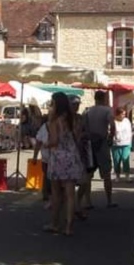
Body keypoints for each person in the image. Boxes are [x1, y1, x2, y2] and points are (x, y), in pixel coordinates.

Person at [44, 92, 84, 236]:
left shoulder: (55, 120)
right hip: (72, 156)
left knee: (56, 194)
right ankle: (69, 226)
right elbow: (77, 137)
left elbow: (54, 140)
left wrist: (45, 144)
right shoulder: (73, 118)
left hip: (58, 157)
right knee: (70, 194)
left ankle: (55, 223)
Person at [81, 90, 117, 208]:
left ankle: (88, 201)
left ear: (94, 98)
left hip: (89, 143)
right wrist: (110, 138)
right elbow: (112, 125)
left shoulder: (87, 111)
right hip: (101, 143)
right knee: (106, 173)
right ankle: (109, 200)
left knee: (88, 174)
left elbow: (83, 127)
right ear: (104, 99)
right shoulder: (107, 110)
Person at [32, 116, 52, 208]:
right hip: (47, 158)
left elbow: (38, 143)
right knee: (47, 177)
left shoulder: (45, 128)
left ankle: (48, 194)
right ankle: (47, 194)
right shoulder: (43, 128)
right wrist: (35, 157)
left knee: (48, 177)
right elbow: (38, 143)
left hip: (52, 158)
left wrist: (35, 157)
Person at [112, 106, 133, 182]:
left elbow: (129, 132)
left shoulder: (127, 121)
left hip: (126, 144)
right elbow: (110, 132)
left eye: (124, 114)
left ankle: (127, 176)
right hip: (116, 144)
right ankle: (117, 176)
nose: (124, 116)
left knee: (125, 160)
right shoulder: (113, 121)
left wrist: (130, 143)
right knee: (116, 161)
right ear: (117, 114)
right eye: (122, 114)